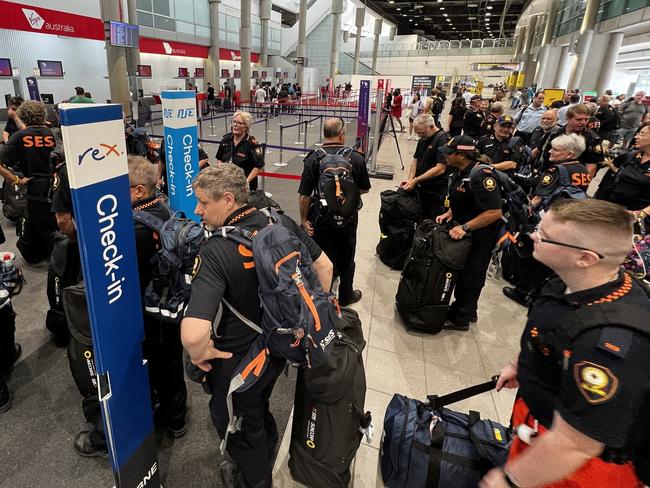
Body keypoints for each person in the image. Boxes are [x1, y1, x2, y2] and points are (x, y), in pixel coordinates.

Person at [182, 164, 333, 488]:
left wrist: (199, 354)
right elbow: (325, 266)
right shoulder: (279, 220)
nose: (197, 211)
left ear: (227, 199)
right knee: (259, 403)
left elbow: (193, 333)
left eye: (203, 203)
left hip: (240, 361)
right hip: (280, 346)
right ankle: (267, 440)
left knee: (237, 421)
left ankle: (256, 479)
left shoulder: (216, 250)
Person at [482, 199, 650, 488]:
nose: (533, 235)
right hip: (541, 429)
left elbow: (577, 444)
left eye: (544, 236)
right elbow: (547, 327)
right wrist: (520, 363)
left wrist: (510, 481)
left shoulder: (611, 345)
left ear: (585, 258)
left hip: (578, 467)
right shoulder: (569, 281)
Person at [503, 133, 592, 307]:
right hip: (569, 219)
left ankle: (522, 291)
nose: (550, 151)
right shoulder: (582, 170)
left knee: (531, 253)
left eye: (555, 149)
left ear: (569, 154)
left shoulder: (556, 171)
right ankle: (538, 292)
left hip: (549, 218)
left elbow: (537, 199)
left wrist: (525, 214)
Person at [298, 117, 370, 306]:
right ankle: (346, 295)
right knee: (347, 256)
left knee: (322, 256)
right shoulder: (355, 157)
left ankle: (323, 298)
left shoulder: (314, 158)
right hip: (348, 217)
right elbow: (364, 188)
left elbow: (305, 195)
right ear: (342, 134)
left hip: (321, 218)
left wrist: (304, 220)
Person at [436, 135, 503, 331]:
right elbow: (466, 198)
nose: (446, 157)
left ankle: (461, 318)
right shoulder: (461, 171)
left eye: (449, 154)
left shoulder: (481, 176)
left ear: (461, 155)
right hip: (469, 229)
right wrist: (450, 212)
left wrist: (464, 227)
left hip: (481, 234)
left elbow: (494, 211)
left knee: (471, 275)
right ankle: (468, 309)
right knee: (466, 272)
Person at [0, 101, 58, 263]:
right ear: (44, 115)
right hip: (58, 185)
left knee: (44, 225)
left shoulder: (19, 136)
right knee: (54, 223)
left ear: (23, 116)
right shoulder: (54, 133)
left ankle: (58, 262)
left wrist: (16, 180)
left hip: (35, 188)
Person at [595, 123, 650, 225]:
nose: (636, 136)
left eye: (642, 134)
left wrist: (641, 214)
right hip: (611, 209)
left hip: (634, 218)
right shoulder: (631, 155)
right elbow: (614, 166)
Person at [400, 114, 451, 220]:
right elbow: (415, 160)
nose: (420, 136)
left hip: (435, 192)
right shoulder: (423, 139)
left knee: (431, 220)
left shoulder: (443, 139)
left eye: (422, 133)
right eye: (418, 134)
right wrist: (410, 180)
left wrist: (416, 180)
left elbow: (440, 168)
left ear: (431, 126)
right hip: (421, 189)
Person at [536, 104, 605, 176]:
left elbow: (591, 168)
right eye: (579, 119)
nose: (583, 123)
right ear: (568, 118)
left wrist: (580, 185)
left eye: (586, 119)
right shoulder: (556, 133)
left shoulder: (591, 139)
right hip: (549, 174)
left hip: (571, 179)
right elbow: (545, 153)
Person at [216, 111, 264, 191]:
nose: (235, 125)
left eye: (240, 123)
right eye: (234, 122)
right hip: (226, 184)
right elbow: (219, 158)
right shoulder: (225, 140)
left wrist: (246, 183)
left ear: (246, 127)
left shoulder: (251, 143)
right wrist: (221, 173)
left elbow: (258, 166)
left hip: (245, 186)